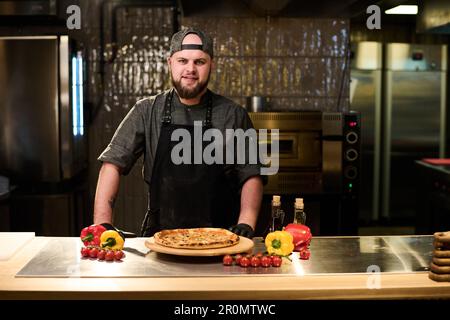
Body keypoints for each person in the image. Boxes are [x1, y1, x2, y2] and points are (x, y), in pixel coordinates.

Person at [93, 27, 263, 238]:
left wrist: (246, 223)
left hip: (221, 239)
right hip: (160, 239)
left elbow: (251, 174)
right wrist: (102, 223)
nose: (190, 69)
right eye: (183, 60)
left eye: (199, 62)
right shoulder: (147, 111)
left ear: (212, 65)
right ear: (170, 63)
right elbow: (112, 164)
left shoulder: (233, 115)